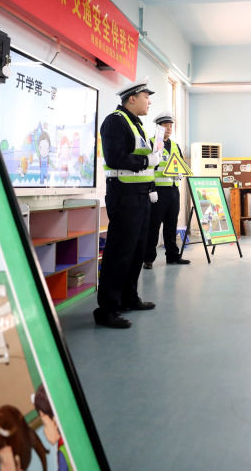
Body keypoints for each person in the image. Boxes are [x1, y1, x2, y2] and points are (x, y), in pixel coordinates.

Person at [96, 78, 160, 329]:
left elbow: (143, 158)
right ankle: (107, 309)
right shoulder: (115, 121)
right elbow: (114, 157)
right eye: (146, 96)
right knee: (120, 251)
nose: (149, 101)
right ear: (131, 98)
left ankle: (129, 297)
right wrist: (147, 162)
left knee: (136, 250)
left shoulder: (136, 124)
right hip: (124, 193)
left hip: (140, 193)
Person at [143, 111, 190, 268]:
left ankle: (173, 256)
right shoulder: (150, 143)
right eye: (165, 125)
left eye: (171, 126)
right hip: (157, 192)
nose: (169, 128)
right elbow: (147, 169)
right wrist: (151, 189)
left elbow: (181, 166)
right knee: (153, 226)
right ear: (158, 127)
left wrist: (180, 175)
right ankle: (148, 259)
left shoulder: (175, 146)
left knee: (171, 225)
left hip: (173, 191)